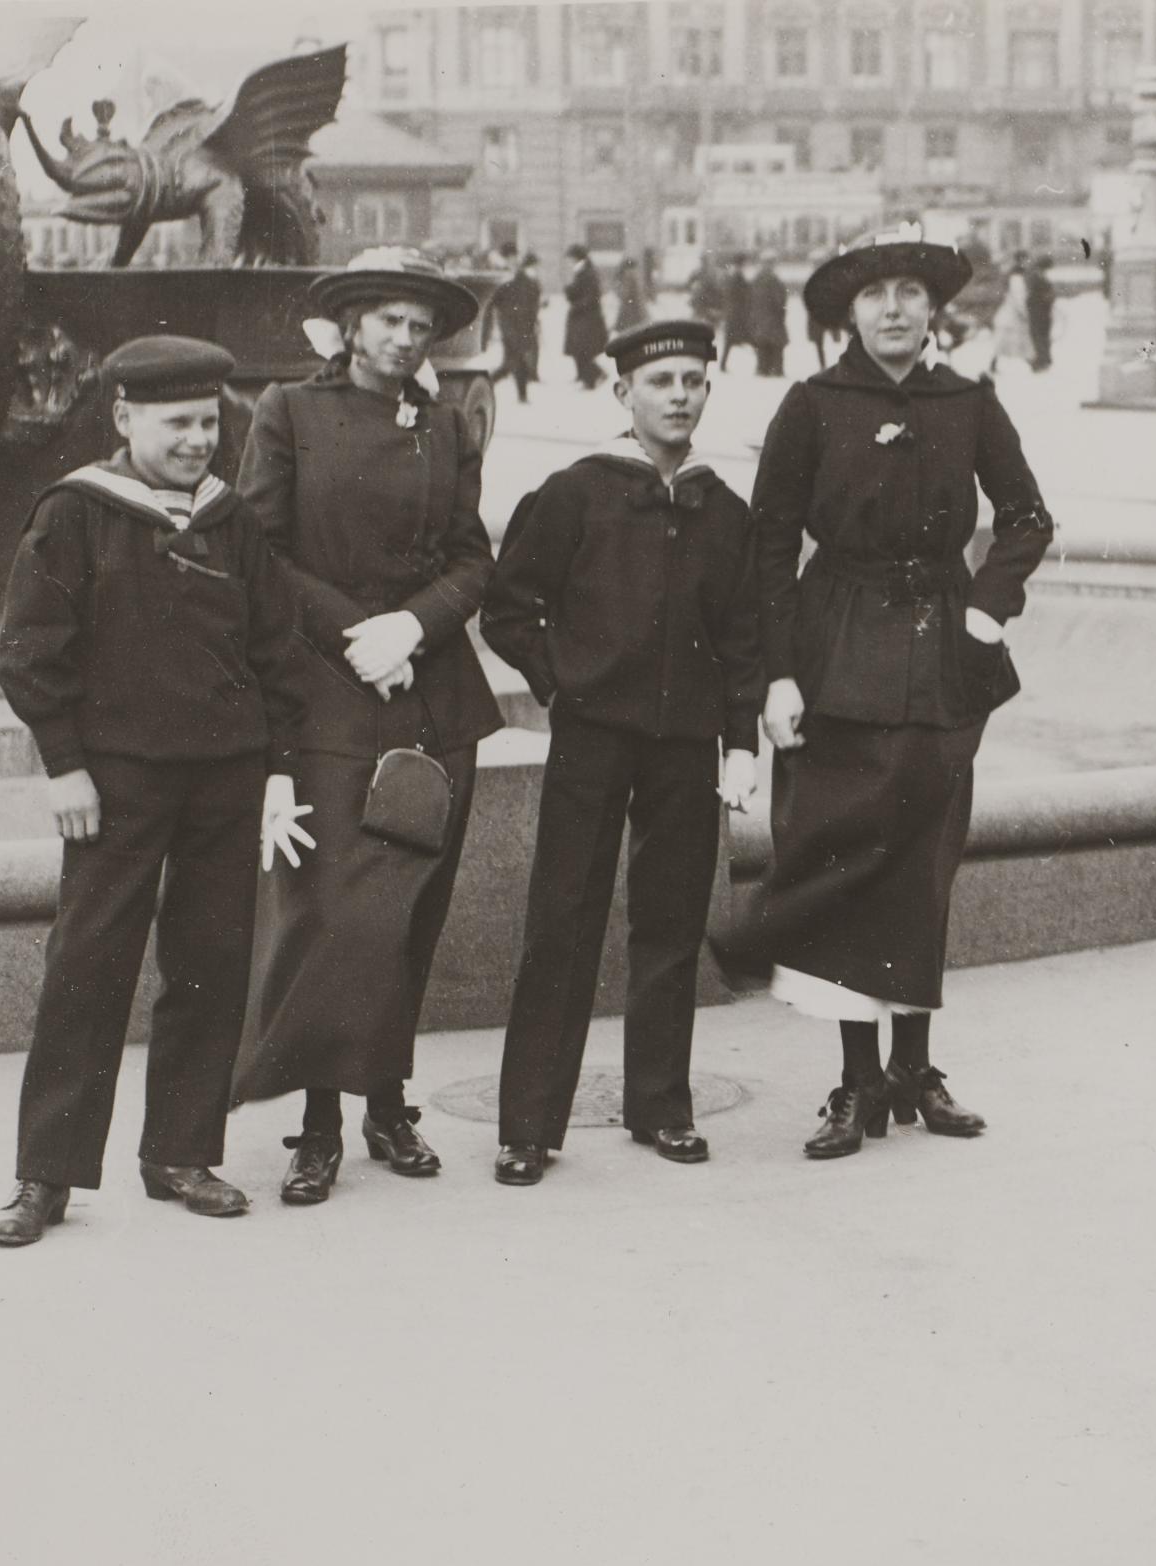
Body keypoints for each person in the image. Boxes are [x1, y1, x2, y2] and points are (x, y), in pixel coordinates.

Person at [710, 228, 1054, 1158]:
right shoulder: (813, 404)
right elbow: (770, 546)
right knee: (842, 855)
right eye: (875, 296)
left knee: (921, 856)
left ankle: (915, 1067)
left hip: (945, 651)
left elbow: (1026, 517)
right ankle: (856, 1080)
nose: (895, 309)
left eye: (910, 292)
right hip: (837, 648)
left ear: (933, 309)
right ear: (849, 313)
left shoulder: (967, 403)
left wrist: (987, 611)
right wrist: (777, 676)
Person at [0, 335, 313, 1245]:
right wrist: (64, 763)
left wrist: (278, 766)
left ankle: (180, 1150)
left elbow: (277, 649)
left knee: (209, 964)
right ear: (125, 419)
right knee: (87, 967)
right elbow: (30, 652)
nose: (198, 439)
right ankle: (44, 1175)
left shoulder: (231, 520)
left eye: (209, 421)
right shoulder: (77, 512)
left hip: (225, 775)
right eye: (177, 423)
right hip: (116, 780)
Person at [233, 248, 506, 1204]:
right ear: (350, 326)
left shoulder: (446, 424)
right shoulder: (290, 413)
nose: (404, 337)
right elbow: (256, 551)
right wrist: (359, 632)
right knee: (335, 912)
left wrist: (417, 625)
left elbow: (473, 556)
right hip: (328, 691)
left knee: (408, 909)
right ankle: (318, 1125)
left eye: (420, 324)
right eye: (387, 319)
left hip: (432, 696)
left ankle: (388, 1102)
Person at [481, 320, 763, 1182]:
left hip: (686, 746)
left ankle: (660, 1105)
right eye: (661, 381)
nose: (679, 395)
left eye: (693, 380)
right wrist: (562, 681)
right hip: (592, 740)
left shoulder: (724, 510)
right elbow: (507, 609)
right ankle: (528, 1124)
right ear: (623, 395)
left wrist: (741, 743)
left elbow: (748, 635)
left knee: (671, 920)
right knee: (562, 918)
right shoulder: (577, 493)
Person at [487, 251, 543, 402]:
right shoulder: (509, 281)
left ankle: (492, 385)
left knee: (515, 361)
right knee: (515, 361)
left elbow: (534, 299)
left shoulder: (523, 281)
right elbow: (494, 301)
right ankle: (490, 384)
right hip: (513, 326)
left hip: (519, 325)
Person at [564, 245, 609, 389]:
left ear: (577, 258)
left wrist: (576, 304)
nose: (569, 262)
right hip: (582, 317)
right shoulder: (581, 271)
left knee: (583, 350)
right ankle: (586, 377)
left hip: (587, 318)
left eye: (571, 258)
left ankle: (594, 377)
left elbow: (591, 296)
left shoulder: (587, 273)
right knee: (580, 349)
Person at [747, 252, 790, 377]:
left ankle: (763, 368)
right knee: (777, 344)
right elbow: (779, 300)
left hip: (759, 317)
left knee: (763, 344)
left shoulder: (757, 279)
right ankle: (776, 369)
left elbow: (750, 299)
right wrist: (781, 310)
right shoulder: (773, 279)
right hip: (772, 318)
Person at [993, 255, 1035, 370]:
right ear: (1021, 261)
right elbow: (1018, 296)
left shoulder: (1014, 275)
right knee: (1021, 338)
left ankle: (994, 363)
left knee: (1006, 339)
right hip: (1014, 312)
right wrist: (1023, 312)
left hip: (1009, 310)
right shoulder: (1017, 277)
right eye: (1026, 260)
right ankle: (1032, 363)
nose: (1028, 262)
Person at [1023, 254, 1056, 372]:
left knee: (1039, 335)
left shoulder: (1035, 275)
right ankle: (1044, 359)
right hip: (1041, 310)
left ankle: (1042, 360)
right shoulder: (1038, 276)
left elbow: (1033, 293)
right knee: (1041, 335)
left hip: (1038, 310)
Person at [612, 255, 650, 335]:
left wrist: (618, 290)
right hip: (637, 309)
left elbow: (625, 293)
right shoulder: (635, 275)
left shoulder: (628, 275)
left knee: (628, 332)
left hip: (630, 309)